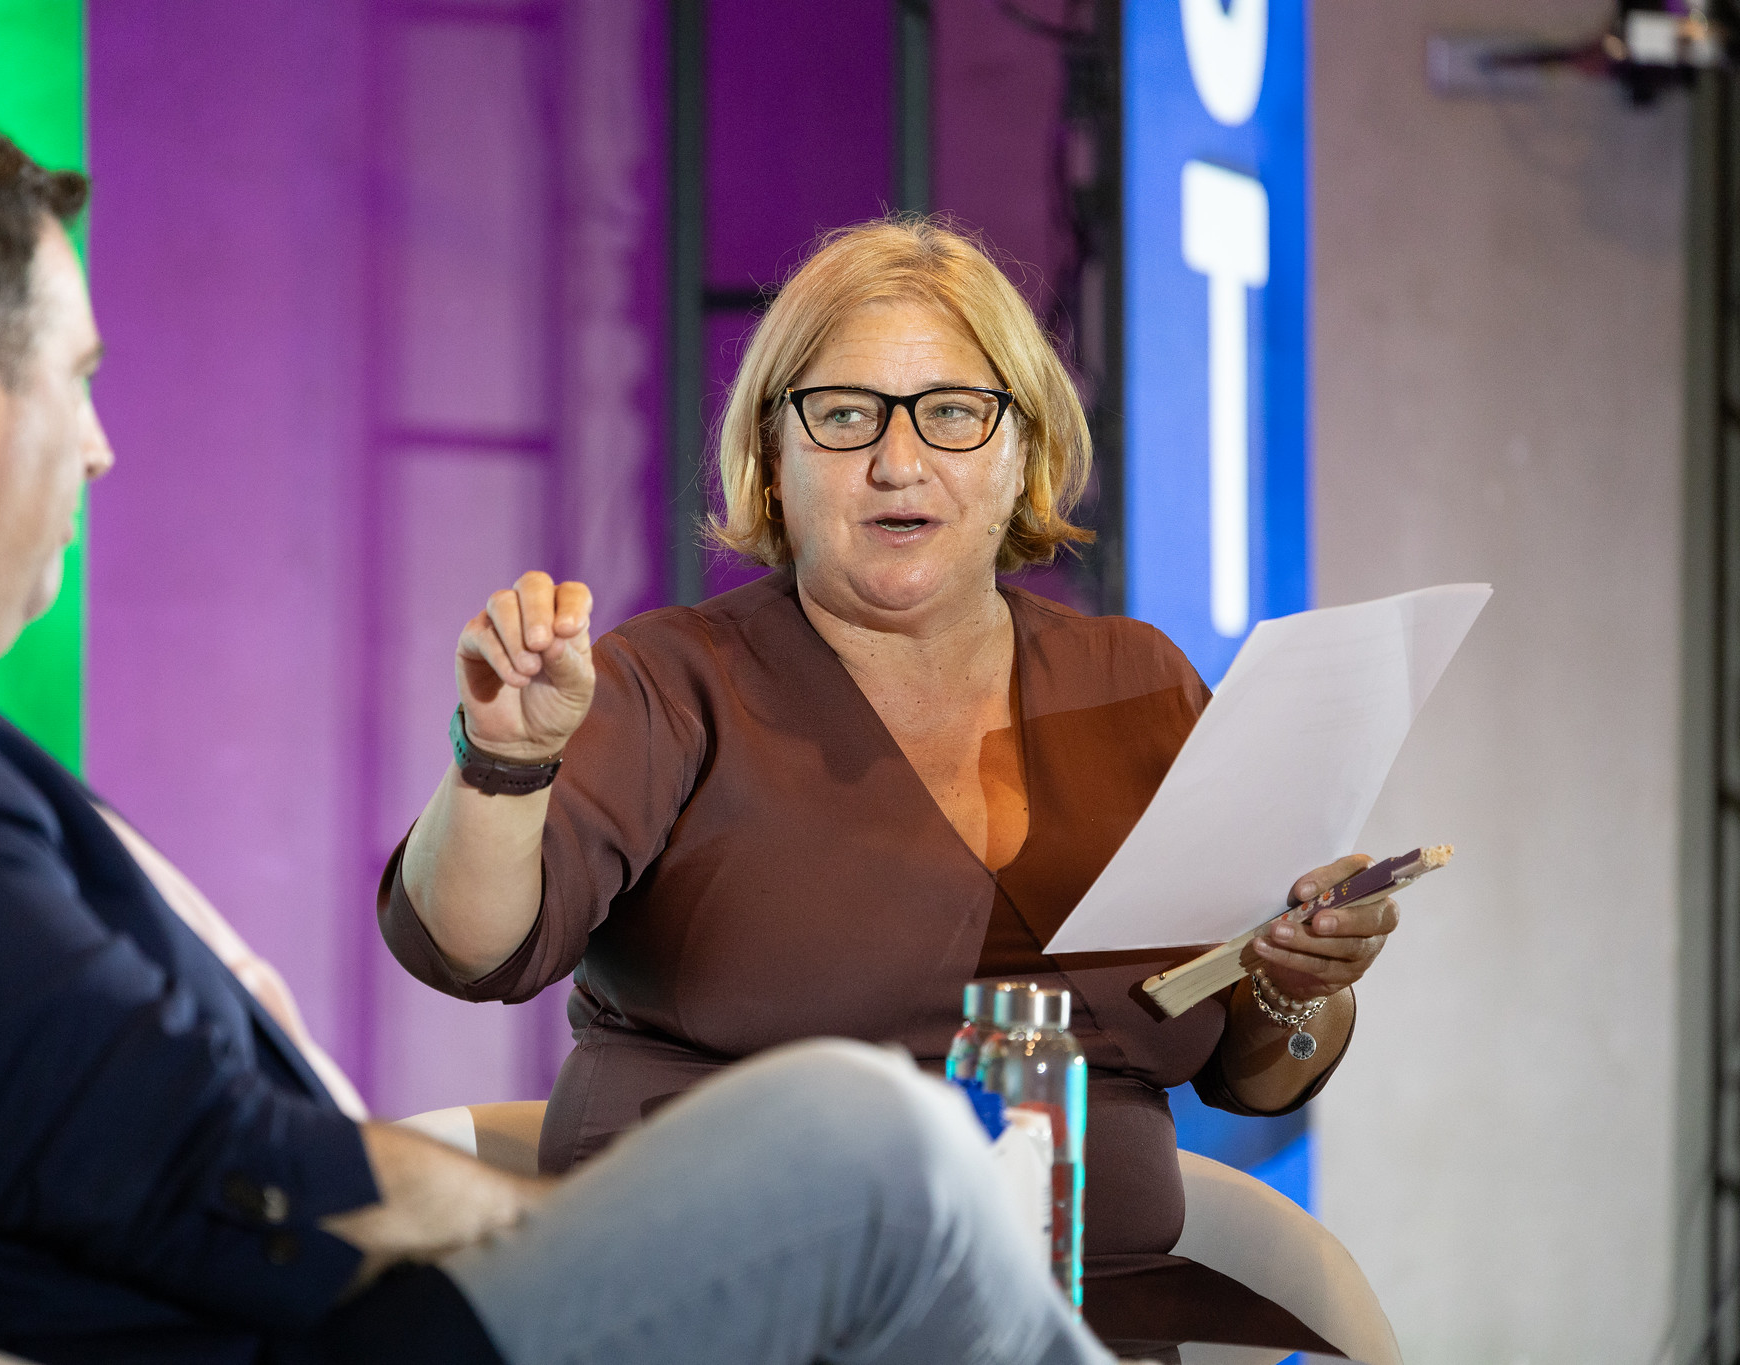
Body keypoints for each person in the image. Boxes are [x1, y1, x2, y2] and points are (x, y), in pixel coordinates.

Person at [0, 111, 1116, 1365]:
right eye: (77, 377)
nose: (100, 444)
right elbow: (183, 1157)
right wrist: (533, 1219)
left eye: (949, 417)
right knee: (876, 1153)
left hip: (317, 1287)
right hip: (313, 1324)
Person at [382, 218, 1406, 1355]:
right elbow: (465, 949)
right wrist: (504, 758)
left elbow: (1251, 1077)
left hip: (1095, 1304)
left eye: (952, 413)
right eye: (844, 413)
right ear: (773, 453)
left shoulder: (1136, 682)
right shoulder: (671, 681)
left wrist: (1296, 981)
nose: (897, 461)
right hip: (749, 1302)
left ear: (1023, 448)